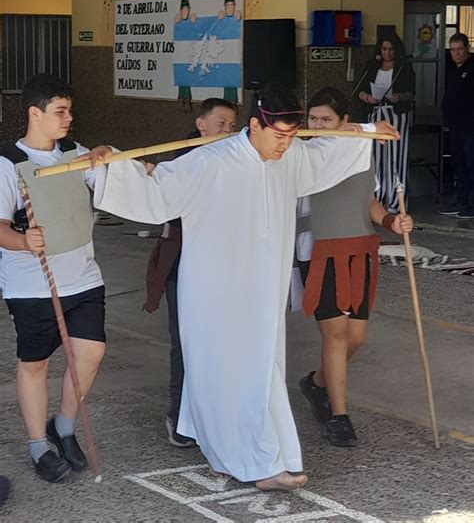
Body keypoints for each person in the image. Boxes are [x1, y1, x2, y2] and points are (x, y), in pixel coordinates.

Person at [84, 83, 397, 491]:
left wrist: (371, 131)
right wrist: (105, 167)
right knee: (219, 372)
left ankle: (254, 457)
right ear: (255, 125)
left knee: (258, 369)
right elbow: (156, 191)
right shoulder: (209, 161)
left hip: (261, 290)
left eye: (291, 135)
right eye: (278, 136)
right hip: (212, 291)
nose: (285, 145)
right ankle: (243, 459)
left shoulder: (293, 155)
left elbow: (329, 152)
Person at [0, 73, 106, 483]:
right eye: (60, 112)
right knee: (35, 364)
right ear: (34, 113)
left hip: (83, 278)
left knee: (90, 355)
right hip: (32, 286)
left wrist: (107, 157)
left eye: (70, 111)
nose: (68, 119)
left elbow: (110, 179)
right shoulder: (9, 164)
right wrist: (24, 241)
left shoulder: (74, 154)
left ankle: (62, 427)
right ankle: (37, 446)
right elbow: (1, 227)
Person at [295, 88, 413, 447]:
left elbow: (367, 198)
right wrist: (368, 127)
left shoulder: (359, 149)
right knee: (335, 334)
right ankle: (339, 416)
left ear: (343, 121)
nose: (318, 126)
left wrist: (391, 221)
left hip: (359, 248)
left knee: (356, 337)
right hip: (319, 251)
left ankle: (316, 383)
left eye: (326, 120)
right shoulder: (303, 155)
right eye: (313, 119)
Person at [143, 98, 237, 448]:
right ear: (201, 124)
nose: (227, 129)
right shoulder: (181, 163)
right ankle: (179, 415)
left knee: (221, 345)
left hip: (225, 267)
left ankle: (216, 416)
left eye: (231, 124)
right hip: (183, 264)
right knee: (186, 344)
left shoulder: (237, 163)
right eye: (220, 123)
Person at [358, 32, 415, 213]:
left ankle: (396, 200)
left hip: (396, 115)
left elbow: (411, 93)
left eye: (391, 49)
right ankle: (378, 199)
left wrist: (398, 97)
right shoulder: (372, 67)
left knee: (396, 157)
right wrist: (367, 98)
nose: (387, 53)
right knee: (377, 158)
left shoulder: (403, 68)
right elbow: (360, 90)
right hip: (376, 113)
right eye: (384, 49)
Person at [439, 33, 474, 219]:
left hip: (470, 126)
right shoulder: (452, 69)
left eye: (460, 49)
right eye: (453, 49)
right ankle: (461, 200)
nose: (456, 53)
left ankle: (471, 203)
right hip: (455, 126)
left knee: (471, 163)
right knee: (458, 164)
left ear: (467, 48)